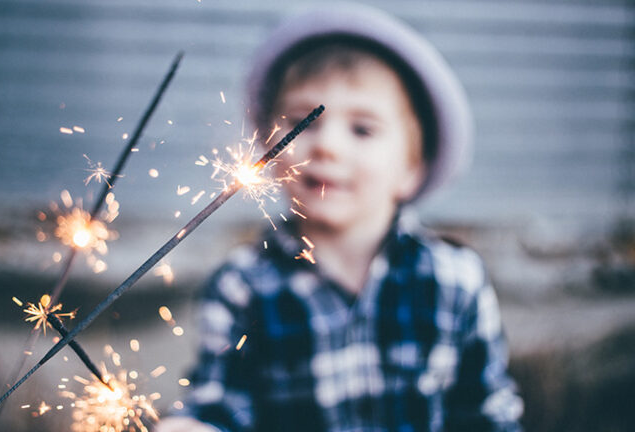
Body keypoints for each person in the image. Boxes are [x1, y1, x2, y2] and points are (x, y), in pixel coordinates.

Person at [158, 5, 523, 432]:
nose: (327, 145)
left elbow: (485, 414)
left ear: (411, 167)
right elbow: (219, 406)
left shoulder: (456, 281)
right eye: (302, 122)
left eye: (362, 129)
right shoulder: (241, 288)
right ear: (270, 149)